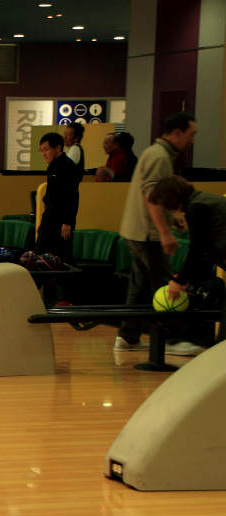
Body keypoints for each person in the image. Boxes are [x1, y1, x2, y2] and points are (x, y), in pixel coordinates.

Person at [116, 111, 203, 355]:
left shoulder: (155, 152)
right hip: (147, 234)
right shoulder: (160, 156)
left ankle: (128, 336)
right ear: (176, 133)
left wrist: (173, 219)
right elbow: (152, 197)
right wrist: (165, 232)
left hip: (136, 230)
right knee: (167, 285)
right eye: (191, 134)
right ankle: (172, 339)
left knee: (139, 286)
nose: (192, 140)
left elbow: (157, 195)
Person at [147, 175, 226, 345]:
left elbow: (197, 249)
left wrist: (179, 281)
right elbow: (205, 251)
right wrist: (186, 278)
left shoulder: (196, 207)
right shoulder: (203, 200)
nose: (167, 210)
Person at [36, 132, 80, 262]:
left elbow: (71, 196)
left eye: (46, 149)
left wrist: (67, 222)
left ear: (58, 148)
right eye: (42, 150)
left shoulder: (68, 166)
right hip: (49, 216)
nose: (44, 154)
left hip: (61, 221)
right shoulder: (52, 166)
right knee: (41, 255)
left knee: (59, 257)